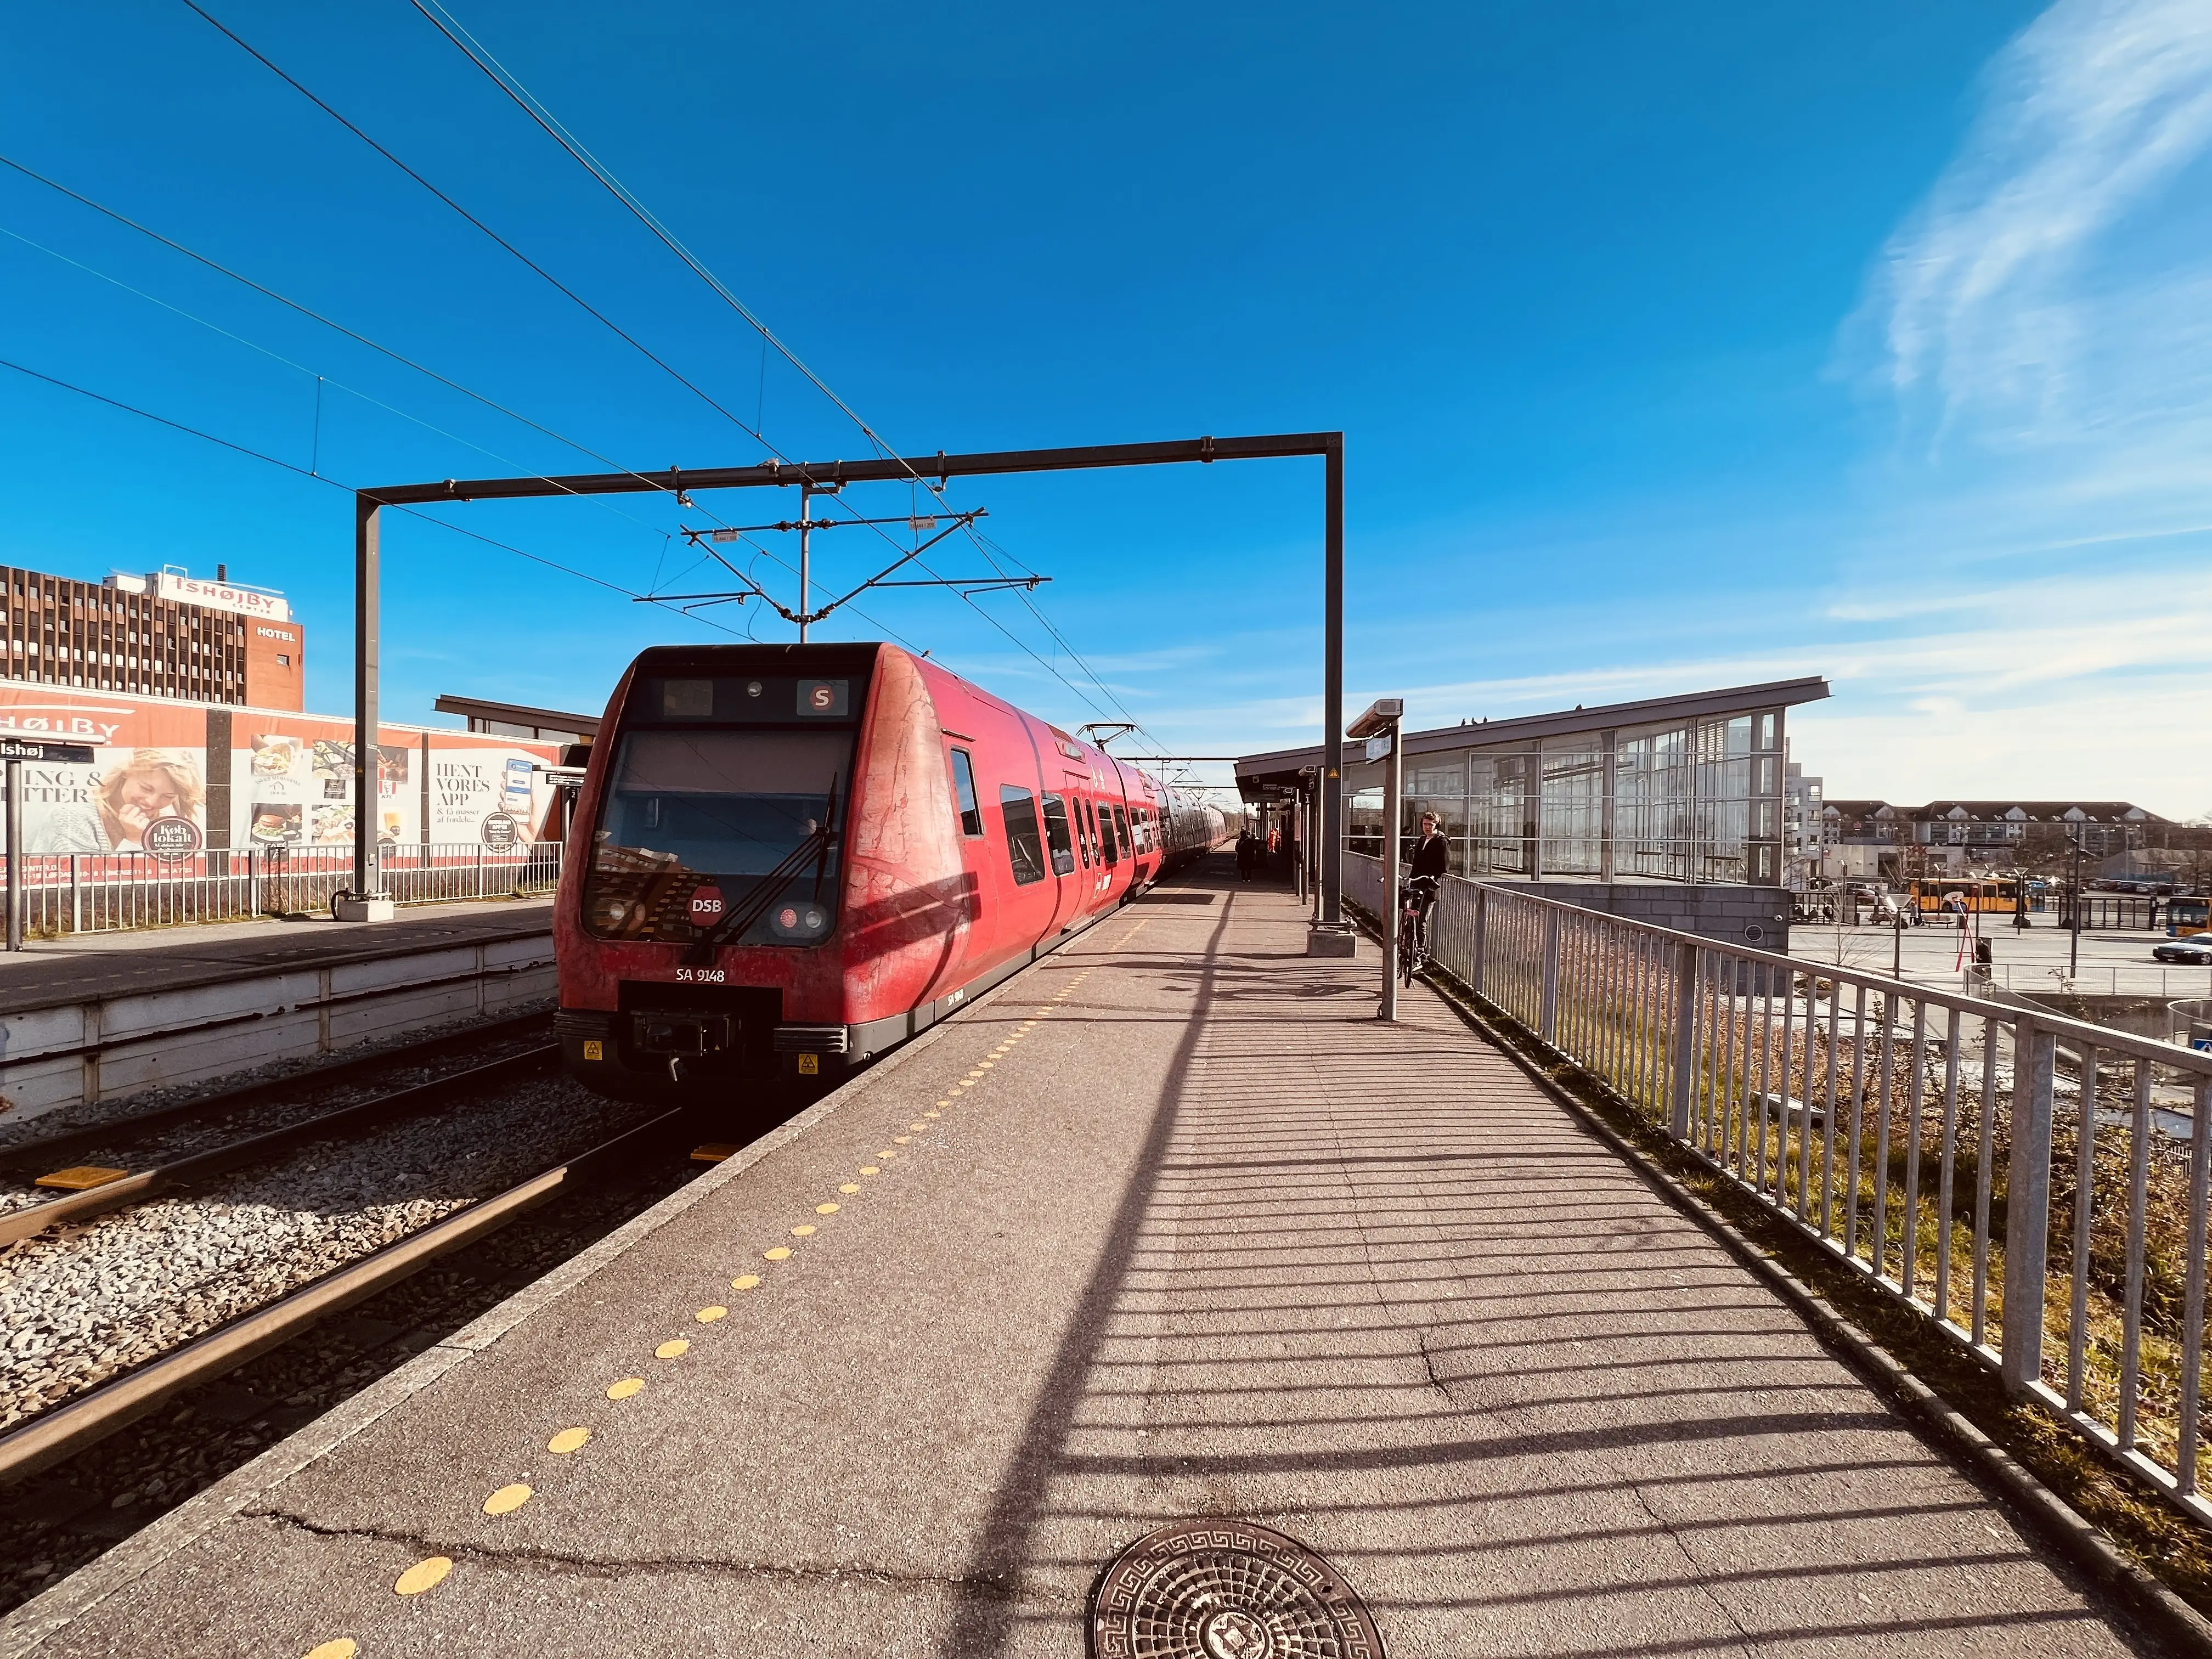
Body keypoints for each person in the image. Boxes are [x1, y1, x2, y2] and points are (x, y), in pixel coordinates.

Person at [27, 749, 205, 855]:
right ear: (126, 774)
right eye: (146, 788)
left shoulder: (165, 822)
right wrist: (134, 839)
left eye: (167, 796)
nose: (152, 801)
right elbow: (79, 885)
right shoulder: (72, 817)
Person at [1403, 811, 1450, 961]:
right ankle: (1407, 946)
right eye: (1425, 824)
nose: (1427, 827)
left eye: (1431, 824)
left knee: (1422, 920)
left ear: (1437, 825)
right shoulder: (1422, 839)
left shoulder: (1441, 841)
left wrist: (1432, 877)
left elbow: (1444, 866)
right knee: (1409, 915)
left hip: (1430, 887)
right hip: (1416, 884)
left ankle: (1421, 951)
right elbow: (1416, 863)